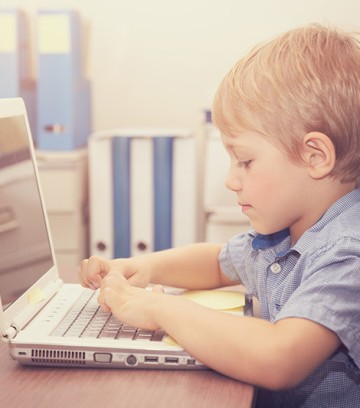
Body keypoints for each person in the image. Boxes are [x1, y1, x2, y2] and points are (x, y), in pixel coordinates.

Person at [79, 23, 360, 407]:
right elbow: (216, 263)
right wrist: (141, 267)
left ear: (315, 157)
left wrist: (159, 308)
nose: (231, 180)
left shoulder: (348, 253)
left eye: (245, 161)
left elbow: (280, 357)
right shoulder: (284, 233)